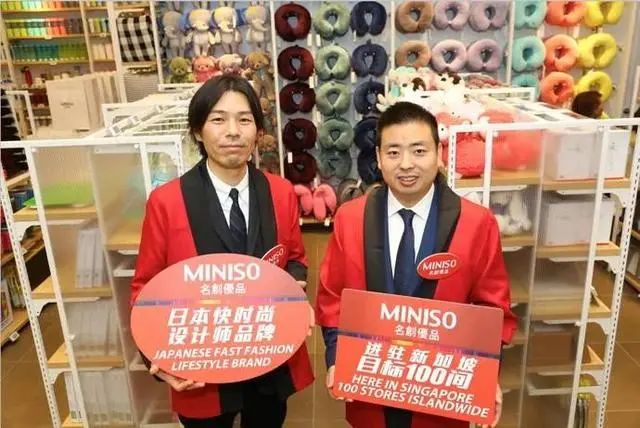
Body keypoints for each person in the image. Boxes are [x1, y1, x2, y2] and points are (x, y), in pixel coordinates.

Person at [316, 102, 517, 428]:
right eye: (393, 152)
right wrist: (337, 356)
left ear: (439, 154)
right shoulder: (350, 219)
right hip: (370, 390)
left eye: (419, 151)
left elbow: (493, 309)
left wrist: (486, 372)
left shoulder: (476, 223)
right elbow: (332, 298)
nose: (406, 164)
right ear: (378, 157)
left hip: (441, 395)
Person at [131, 75, 314, 428]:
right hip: (201, 368)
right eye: (218, 119)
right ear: (198, 131)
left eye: (244, 120)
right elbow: (145, 287)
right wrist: (156, 356)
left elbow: (294, 258)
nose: (233, 131)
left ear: (258, 131)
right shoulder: (167, 202)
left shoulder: (280, 192)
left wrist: (295, 288)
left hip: (267, 355)